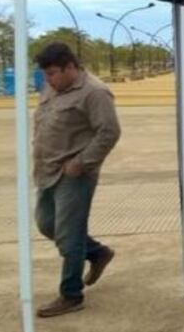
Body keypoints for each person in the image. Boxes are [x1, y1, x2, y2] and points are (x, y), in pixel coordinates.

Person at [32, 42, 121, 317]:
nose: (49, 79)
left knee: (69, 236)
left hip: (74, 174)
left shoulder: (94, 92)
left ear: (70, 67)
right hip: (47, 170)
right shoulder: (52, 88)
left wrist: (82, 162)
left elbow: (109, 132)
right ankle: (96, 252)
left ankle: (71, 294)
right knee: (47, 224)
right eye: (46, 74)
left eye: (53, 73)